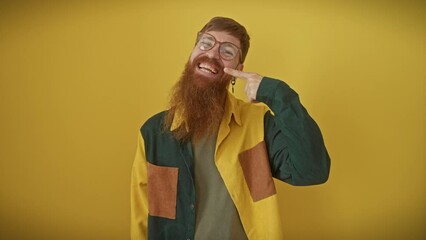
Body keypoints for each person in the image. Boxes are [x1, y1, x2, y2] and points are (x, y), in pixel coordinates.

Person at [131, 16, 331, 240]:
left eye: (227, 51)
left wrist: (276, 93)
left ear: (238, 68)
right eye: (206, 43)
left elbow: (312, 171)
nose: (212, 54)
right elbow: (142, 216)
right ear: (192, 53)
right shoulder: (153, 133)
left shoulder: (257, 124)